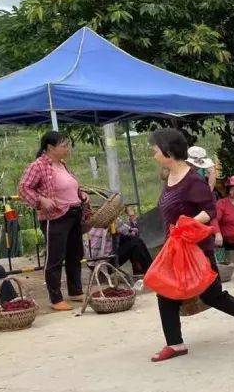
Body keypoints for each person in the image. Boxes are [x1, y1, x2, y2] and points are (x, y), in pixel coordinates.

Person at [149, 128, 234, 363]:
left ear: (168, 152)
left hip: (197, 247)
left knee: (211, 294)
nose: (153, 155)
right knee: (165, 291)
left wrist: (188, 224)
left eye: (155, 150)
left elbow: (209, 210)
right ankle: (175, 343)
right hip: (176, 245)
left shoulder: (193, 180)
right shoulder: (170, 176)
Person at [17, 131, 87, 311]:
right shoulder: (38, 166)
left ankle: (75, 290)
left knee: (75, 254)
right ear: (50, 148)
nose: (67, 148)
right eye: (63, 145)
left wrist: (81, 195)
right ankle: (56, 298)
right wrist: (41, 200)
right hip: (55, 217)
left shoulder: (62, 164)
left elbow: (70, 187)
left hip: (73, 212)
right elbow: (24, 188)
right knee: (55, 257)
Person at [87, 204, 154, 279]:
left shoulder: (99, 219)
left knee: (129, 239)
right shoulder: (113, 220)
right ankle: (150, 271)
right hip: (104, 265)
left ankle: (139, 270)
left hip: (93, 264)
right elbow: (134, 233)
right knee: (136, 242)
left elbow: (125, 231)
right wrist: (132, 215)